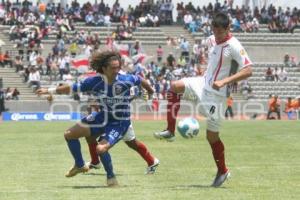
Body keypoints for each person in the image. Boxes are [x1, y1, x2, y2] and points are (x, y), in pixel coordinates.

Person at [153, 12, 253, 187]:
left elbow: (248, 69)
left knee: (212, 137)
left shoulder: (235, 45)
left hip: (217, 96)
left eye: (220, 32)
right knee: (174, 86)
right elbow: (211, 50)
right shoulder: (212, 39)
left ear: (228, 28)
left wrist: (226, 80)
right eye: (214, 32)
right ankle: (170, 130)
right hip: (202, 83)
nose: (216, 36)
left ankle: (223, 170)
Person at [36, 51, 159, 187]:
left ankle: (111, 177)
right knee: (70, 135)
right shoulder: (94, 82)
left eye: (118, 67)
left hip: (119, 122)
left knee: (101, 149)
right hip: (102, 116)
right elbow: (72, 88)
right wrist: (50, 90)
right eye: (113, 68)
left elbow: (141, 81)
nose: (117, 70)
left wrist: (151, 92)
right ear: (104, 69)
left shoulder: (126, 79)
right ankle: (80, 164)